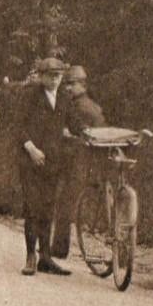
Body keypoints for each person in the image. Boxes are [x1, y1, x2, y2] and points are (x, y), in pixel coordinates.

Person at [16, 57, 72, 276]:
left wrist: (85, 132)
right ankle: (30, 256)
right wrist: (31, 149)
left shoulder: (64, 98)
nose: (55, 79)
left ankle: (45, 258)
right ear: (41, 76)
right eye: (50, 75)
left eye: (58, 75)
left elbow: (74, 122)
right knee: (32, 207)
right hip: (30, 161)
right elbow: (18, 127)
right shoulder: (30, 96)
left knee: (48, 208)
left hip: (52, 162)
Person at [52, 64, 107, 258]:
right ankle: (58, 248)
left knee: (65, 203)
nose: (67, 88)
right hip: (85, 162)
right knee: (65, 202)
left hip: (80, 163)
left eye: (71, 84)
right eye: (66, 84)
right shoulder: (91, 105)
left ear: (82, 85)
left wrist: (66, 135)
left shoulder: (82, 108)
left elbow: (86, 137)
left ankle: (59, 250)